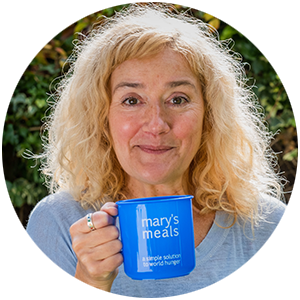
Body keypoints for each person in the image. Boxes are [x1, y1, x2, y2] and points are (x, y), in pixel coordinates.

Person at [19, 3, 298, 298]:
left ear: (210, 115)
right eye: (131, 100)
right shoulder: (59, 221)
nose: (156, 124)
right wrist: (91, 280)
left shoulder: (271, 226)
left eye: (178, 99)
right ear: (102, 117)